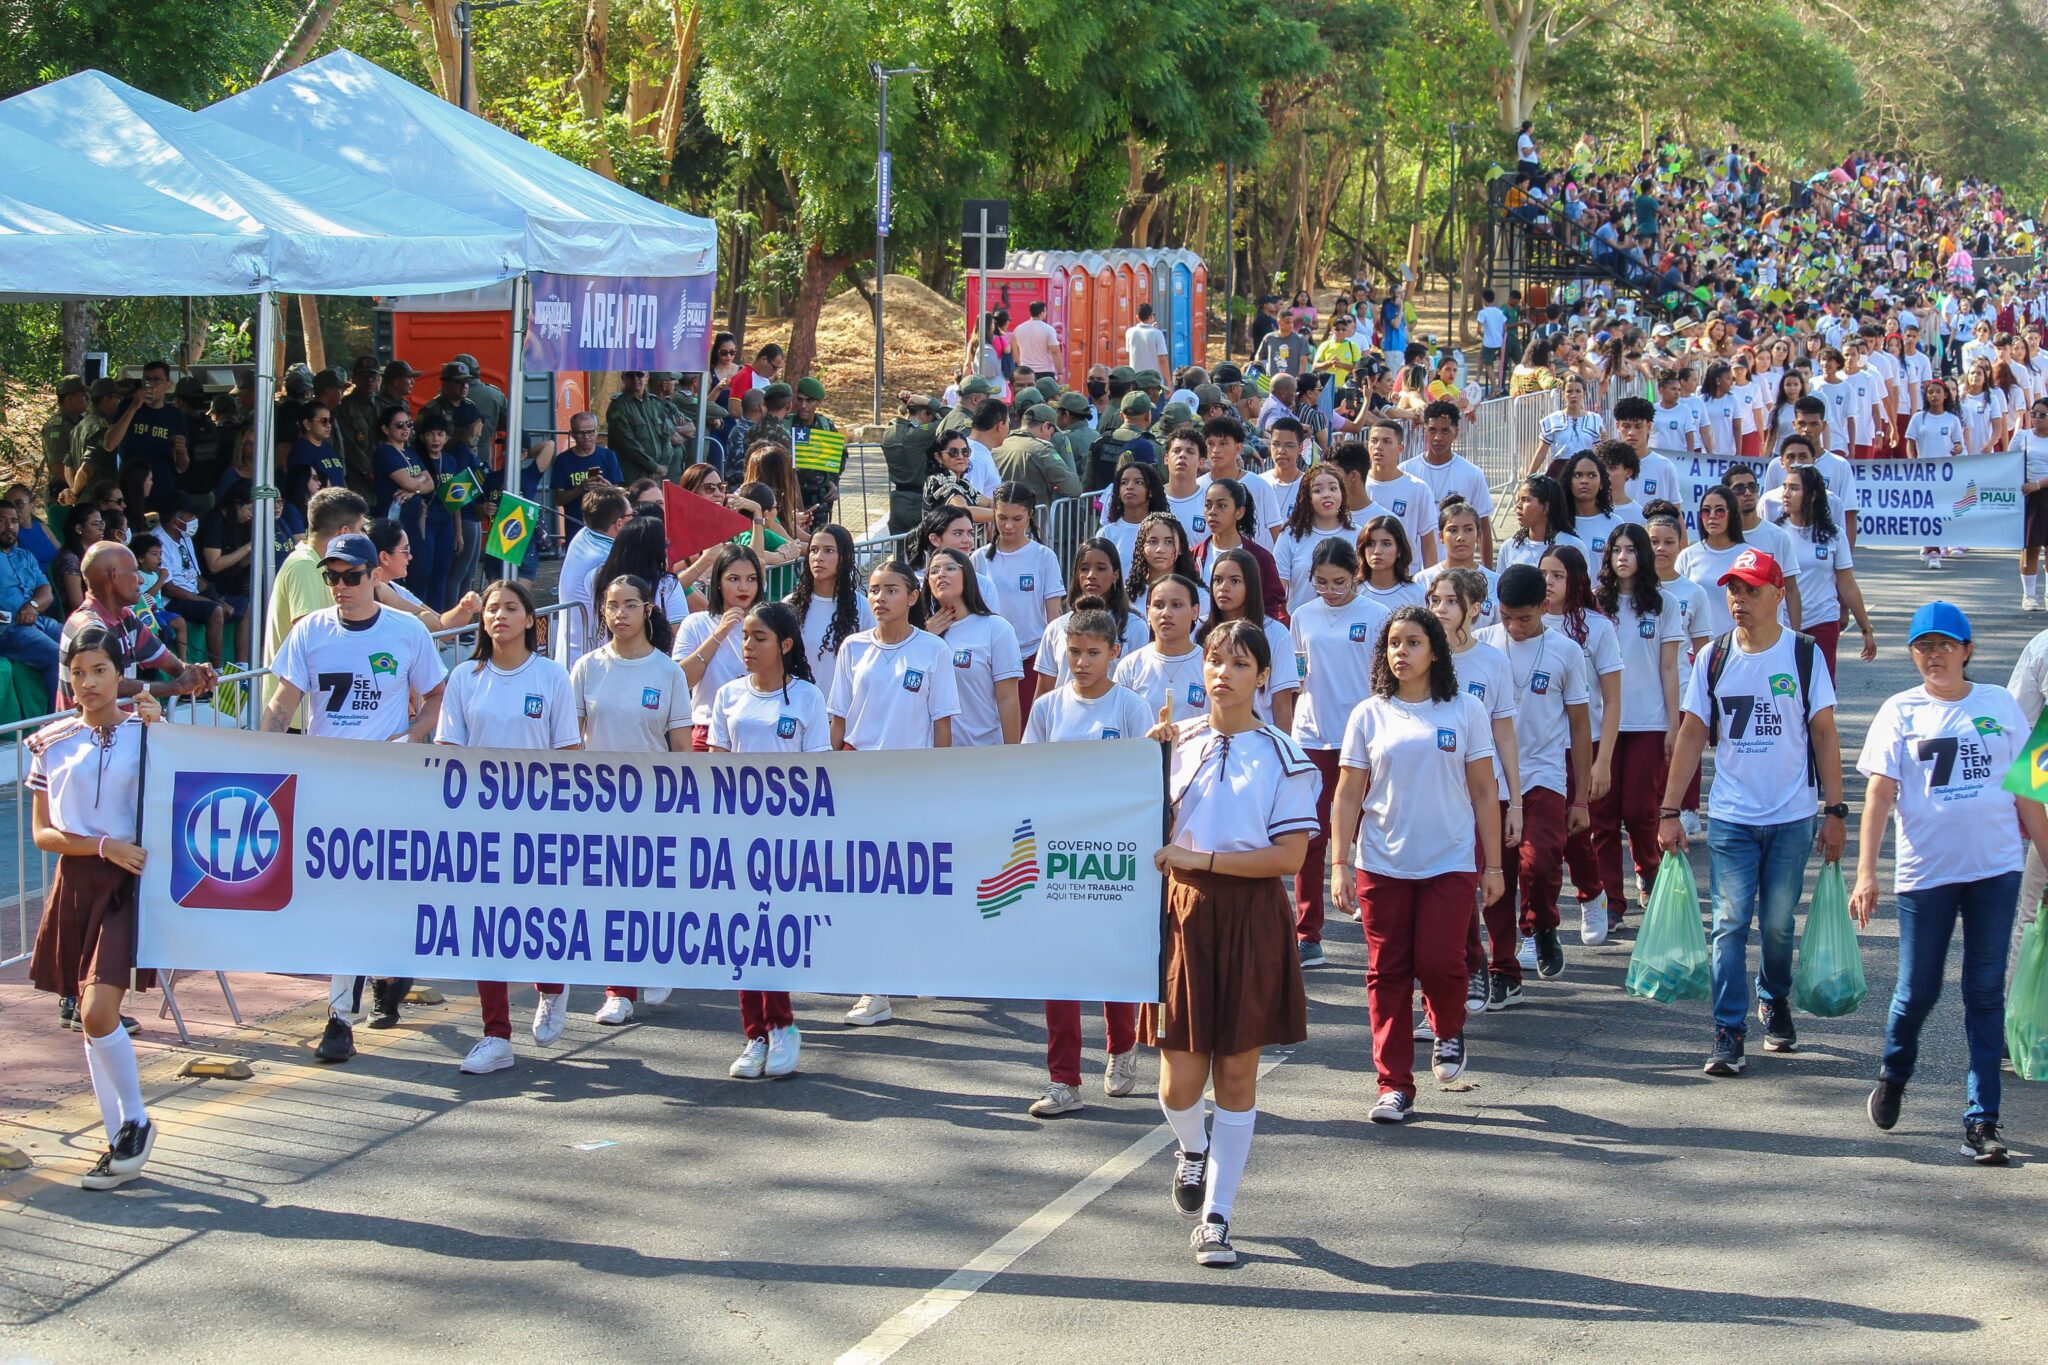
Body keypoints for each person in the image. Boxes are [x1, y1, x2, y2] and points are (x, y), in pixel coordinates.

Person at [1141, 616, 1315, 1267]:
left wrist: (1206, 862)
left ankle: (1216, 1218)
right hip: (1182, 914)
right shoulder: (1173, 743)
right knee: (1178, 1083)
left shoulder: (1284, 755)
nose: (1223, 673)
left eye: (1240, 663)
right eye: (1215, 660)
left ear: (1264, 676)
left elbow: (1290, 857)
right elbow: (1135, 821)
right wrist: (1143, 758)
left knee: (1238, 1072)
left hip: (1250, 915)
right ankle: (1192, 1149)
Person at [1853, 603, 2045, 1165]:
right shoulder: (1899, 711)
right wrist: (1867, 873)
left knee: (1985, 993)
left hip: (1995, 869)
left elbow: (2029, 792)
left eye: (1944, 645)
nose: (1934, 655)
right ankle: (1894, 1071)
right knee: (1918, 990)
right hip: (1926, 875)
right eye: (1922, 646)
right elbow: (1880, 796)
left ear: (1967, 650)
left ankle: (1982, 1119)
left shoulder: (2000, 706)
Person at [1658, 547, 1845, 1077]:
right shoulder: (1715, 658)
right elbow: (1693, 733)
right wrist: (1669, 812)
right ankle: (1728, 1030)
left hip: (1791, 815)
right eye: (1733, 589)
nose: (1739, 599)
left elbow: (1825, 734)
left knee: (1780, 924)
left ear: (1777, 595)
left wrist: (1835, 811)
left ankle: (1775, 996)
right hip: (1733, 817)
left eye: (1752, 589)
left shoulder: (1803, 655)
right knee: (1730, 923)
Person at [260, 532, 446, 1061]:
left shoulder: (406, 632)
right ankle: (341, 1016)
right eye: (331, 577)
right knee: (341, 897)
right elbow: (280, 705)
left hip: (387, 782)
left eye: (350, 577)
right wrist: (254, 758)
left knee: (380, 891)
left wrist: (413, 734)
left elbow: (436, 694)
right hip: (327, 782)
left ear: (374, 577)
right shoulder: (309, 633)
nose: (340, 587)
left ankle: (386, 968)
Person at [1330, 605, 1503, 1121]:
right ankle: (1394, 1085)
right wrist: (1339, 862)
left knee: (1441, 963)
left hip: (1448, 860)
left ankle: (1448, 1029)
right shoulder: (1369, 714)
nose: (1400, 652)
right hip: (1382, 863)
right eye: (1393, 644)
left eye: (1412, 643)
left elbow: (1484, 790)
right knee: (1388, 973)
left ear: (1434, 651)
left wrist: (1492, 866)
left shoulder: (1464, 711)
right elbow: (1346, 795)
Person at [26, 625, 164, 1189]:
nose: (87, 683)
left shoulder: (148, 732)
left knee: (98, 1011)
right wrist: (103, 845)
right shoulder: (49, 742)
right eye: (78, 673)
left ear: (119, 672)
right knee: (89, 1018)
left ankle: (135, 1120)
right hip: (78, 879)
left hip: (128, 884)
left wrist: (161, 728)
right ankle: (118, 1140)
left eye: (99, 670)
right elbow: (43, 833)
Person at [434, 581, 579, 1071]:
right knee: (486, 929)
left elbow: (567, 754)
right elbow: (449, 750)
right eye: (492, 609)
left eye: (510, 608)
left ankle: (552, 986)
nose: (499, 616)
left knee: (537, 918)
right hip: (479, 823)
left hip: (540, 823)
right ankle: (496, 1034)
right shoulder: (464, 677)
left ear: (530, 621)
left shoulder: (552, 677)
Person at [1021, 597, 1155, 1116]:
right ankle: (1063, 1080)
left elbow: (1145, 779)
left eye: (1092, 652)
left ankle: (1121, 1049)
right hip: (1057, 851)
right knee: (1061, 967)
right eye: (1073, 652)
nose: (1081, 662)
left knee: (1108, 961)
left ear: (1115, 652)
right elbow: (1030, 773)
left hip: (1111, 854)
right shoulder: (1048, 707)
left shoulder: (1129, 707)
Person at [826, 559, 959, 1027]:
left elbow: (942, 723)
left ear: (913, 596)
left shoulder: (932, 651)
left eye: (891, 590)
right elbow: (838, 718)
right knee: (868, 884)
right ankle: (874, 986)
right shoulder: (852, 648)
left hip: (914, 782)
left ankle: (923, 958)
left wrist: (939, 784)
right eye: (874, 590)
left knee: (912, 882)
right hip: (862, 781)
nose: (880, 598)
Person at [707, 601, 830, 1077]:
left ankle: (782, 1026)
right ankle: (753, 1035)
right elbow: (716, 764)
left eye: (759, 638)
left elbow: (819, 771)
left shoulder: (806, 699)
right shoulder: (728, 696)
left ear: (784, 645)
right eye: (744, 638)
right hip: (737, 834)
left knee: (771, 933)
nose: (748, 647)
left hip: (786, 836)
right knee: (743, 935)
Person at [1476, 565, 1591, 1007]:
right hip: (1491, 779)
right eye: (1506, 616)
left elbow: (1580, 727)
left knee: (1539, 865)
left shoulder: (1566, 651)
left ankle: (1542, 924)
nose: (1514, 626)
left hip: (1543, 775)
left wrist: (1580, 796)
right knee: (1496, 875)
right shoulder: (1484, 646)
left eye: (1523, 617)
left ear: (1544, 606)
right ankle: (1503, 969)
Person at [1286, 537, 1390, 965]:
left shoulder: (1377, 615)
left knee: (1368, 830)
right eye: (1321, 582)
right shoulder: (1302, 616)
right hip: (1313, 736)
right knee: (1311, 835)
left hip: (1363, 736)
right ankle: (1308, 932)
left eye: (1339, 583)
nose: (1329, 590)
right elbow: (1298, 677)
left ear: (1356, 576)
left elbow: (1385, 679)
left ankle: (1378, 919)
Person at [1430, 567, 1521, 1017]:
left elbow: (1504, 731)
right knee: (1448, 888)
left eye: (1450, 601)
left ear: (1474, 608)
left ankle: (1484, 964)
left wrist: (1516, 801)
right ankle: (1467, 965)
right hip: (1434, 795)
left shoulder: (1493, 661)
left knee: (1475, 886)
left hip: (1484, 794)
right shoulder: (1419, 655)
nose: (1440, 610)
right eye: (1435, 600)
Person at [1592, 524, 1685, 925]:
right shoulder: (1596, 605)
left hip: (1648, 720)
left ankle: (1649, 874)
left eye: (1631, 550)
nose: (1623, 557)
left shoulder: (1664, 604)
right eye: (1617, 550)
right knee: (1604, 814)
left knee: (1640, 809)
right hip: (1602, 723)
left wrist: (1673, 724)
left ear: (1644, 555)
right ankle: (1611, 900)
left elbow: (1669, 667)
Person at [1541, 545, 1622, 950]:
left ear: (1575, 580)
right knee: (1541, 840)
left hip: (1580, 745)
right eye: (1543, 574)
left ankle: (1591, 895)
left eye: (1557, 575)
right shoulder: (1523, 623)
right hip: (1535, 746)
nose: (1548, 583)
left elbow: (1612, 701)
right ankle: (1539, 924)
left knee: (1575, 832)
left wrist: (1602, 761)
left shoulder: (1597, 627)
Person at [1773, 465, 1874, 676]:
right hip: (1783, 625)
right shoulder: (1776, 534)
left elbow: (1847, 585)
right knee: (1787, 689)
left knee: (1822, 687)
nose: (1786, 494)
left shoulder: (1834, 535)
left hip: (1823, 621)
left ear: (1812, 495)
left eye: (1794, 488)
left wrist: (1866, 628)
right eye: (1785, 487)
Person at [974, 484, 1064, 716]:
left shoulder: (1044, 557)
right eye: (1001, 517)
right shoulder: (979, 558)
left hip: (1032, 657)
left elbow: (1054, 614)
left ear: (1030, 515)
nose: (1008, 526)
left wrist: (1054, 658)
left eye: (1017, 518)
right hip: (990, 659)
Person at [921, 547, 1024, 747]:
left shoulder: (996, 628)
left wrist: (1013, 753)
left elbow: (1007, 697)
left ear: (967, 574)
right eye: (933, 571)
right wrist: (924, 638)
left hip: (982, 749)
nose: (940, 574)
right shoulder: (920, 633)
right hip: (930, 753)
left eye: (950, 568)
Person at [1200, 549, 1296, 731]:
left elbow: (1282, 706)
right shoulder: (1197, 628)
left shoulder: (1276, 633)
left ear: (1251, 586)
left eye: (1235, 581)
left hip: (1260, 740)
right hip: (1206, 738)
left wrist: (1283, 752)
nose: (1223, 587)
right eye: (1217, 580)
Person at [1035, 537, 1149, 690]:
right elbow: (1043, 693)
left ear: (1115, 574)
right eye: (1084, 568)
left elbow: (1139, 687)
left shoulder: (1135, 627)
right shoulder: (1056, 627)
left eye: (1101, 568)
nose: (1091, 575)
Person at [785, 524, 874, 700]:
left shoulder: (863, 608)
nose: (819, 557)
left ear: (845, 557)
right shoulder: (789, 604)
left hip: (844, 713)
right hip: (798, 709)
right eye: (814, 550)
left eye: (828, 551)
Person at [553, 486, 631, 671]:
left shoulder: (584, 534)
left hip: (571, 658)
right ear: (619, 523)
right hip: (590, 664)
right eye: (631, 515)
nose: (635, 519)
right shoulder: (605, 559)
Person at [1115, 574, 1208, 723]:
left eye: (1176, 605)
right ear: (1148, 612)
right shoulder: (1130, 667)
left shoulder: (1209, 665)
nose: (1166, 613)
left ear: (1195, 611)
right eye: (1158, 605)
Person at [0, 500, 62, 702]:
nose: (10, 527)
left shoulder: (25, 556)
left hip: (38, 621)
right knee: (57, 656)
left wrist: (33, 606)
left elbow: (46, 591)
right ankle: (59, 722)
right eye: (2, 520)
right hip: (9, 629)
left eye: (14, 521)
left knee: (85, 640)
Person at [1416, 497, 1500, 632]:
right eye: (1453, 530)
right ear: (1441, 537)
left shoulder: (1496, 582)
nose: (1461, 537)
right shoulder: (1422, 580)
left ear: (1478, 534)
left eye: (1468, 529)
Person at [1498, 474, 1588, 571]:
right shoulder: (1509, 547)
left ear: (1546, 507)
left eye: (1526, 500)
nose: (1518, 506)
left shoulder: (1573, 546)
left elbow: (1582, 585)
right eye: (1518, 500)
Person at [2014, 399, 2048, 609]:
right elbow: (2008, 462)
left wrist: (2038, 484)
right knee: (2030, 546)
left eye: (2042, 415)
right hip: (2030, 497)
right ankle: (2029, 595)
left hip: (2041, 490)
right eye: (2033, 414)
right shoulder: (2022, 437)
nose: (2036, 418)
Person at [1359, 515, 1425, 614]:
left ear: (1399, 550)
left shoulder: (1416, 593)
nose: (1377, 551)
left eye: (1386, 544)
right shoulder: (1353, 591)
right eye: (1370, 544)